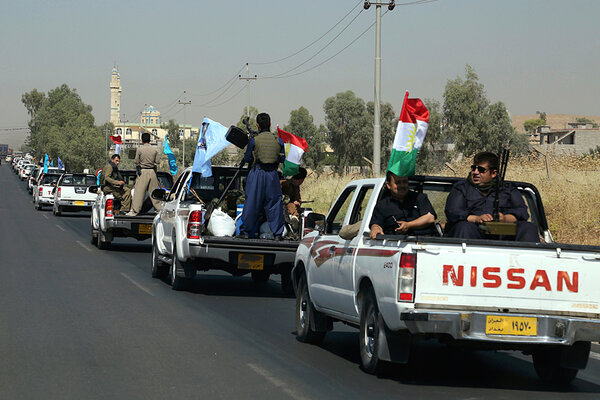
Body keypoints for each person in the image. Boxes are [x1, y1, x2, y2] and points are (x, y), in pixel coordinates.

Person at [444, 151, 539, 242]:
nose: (476, 172)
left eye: (481, 170)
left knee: (528, 228)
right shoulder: (461, 188)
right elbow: (453, 212)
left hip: (503, 233)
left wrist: (505, 218)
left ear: (493, 173)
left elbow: (522, 212)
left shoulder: (508, 189)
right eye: (473, 168)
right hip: (474, 231)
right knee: (464, 227)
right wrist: (477, 218)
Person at [238, 112, 286, 239]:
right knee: (275, 204)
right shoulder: (278, 141)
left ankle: (245, 232)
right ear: (270, 124)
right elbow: (282, 159)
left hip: (257, 174)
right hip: (272, 175)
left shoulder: (254, 140)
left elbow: (248, 158)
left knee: (252, 202)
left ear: (258, 126)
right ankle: (277, 234)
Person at [369, 171, 437, 239]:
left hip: (426, 242)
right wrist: (375, 229)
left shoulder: (420, 198)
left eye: (404, 182)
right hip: (393, 245)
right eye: (397, 183)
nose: (402, 185)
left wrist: (408, 225)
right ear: (388, 185)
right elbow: (376, 223)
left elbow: (430, 218)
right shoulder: (382, 205)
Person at [126, 132, 162, 216]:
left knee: (139, 192)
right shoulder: (155, 149)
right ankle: (158, 210)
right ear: (150, 140)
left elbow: (136, 161)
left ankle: (135, 211)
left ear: (142, 140)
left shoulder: (140, 149)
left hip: (143, 172)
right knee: (154, 192)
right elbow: (157, 161)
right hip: (152, 172)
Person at [280, 167, 307, 231]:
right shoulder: (284, 184)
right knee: (291, 206)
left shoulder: (296, 187)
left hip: (289, 207)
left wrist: (297, 202)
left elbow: (298, 198)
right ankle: (294, 219)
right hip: (282, 206)